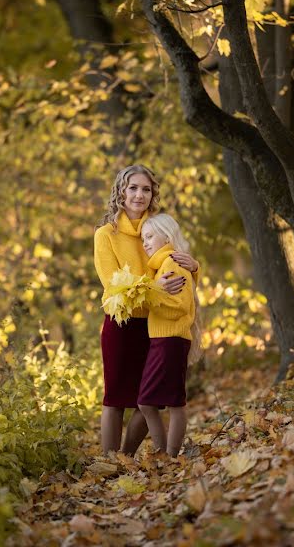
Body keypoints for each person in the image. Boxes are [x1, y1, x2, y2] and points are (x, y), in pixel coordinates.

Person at [94, 165, 199, 455]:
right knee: (115, 398)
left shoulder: (158, 228)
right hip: (122, 322)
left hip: (156, 323)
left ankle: (125, 458)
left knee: (149, 399)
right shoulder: (106, 235)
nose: (139, 195)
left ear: (152, 195)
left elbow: (174, 268)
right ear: (121, 192)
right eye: (133, 188)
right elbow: (112, 284)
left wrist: (194, 267)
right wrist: (155, 289)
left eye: (146, 189)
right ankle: (109, 463)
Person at [138, 213, 198, 457]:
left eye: (150, 236)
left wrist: (151, 299)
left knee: (171, 402)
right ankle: (165, 454)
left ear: (167, 235)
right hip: (162, 341)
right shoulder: (161, 266)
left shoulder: (172, 263)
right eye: (143, 239)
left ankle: (169, 456)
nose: (145, 243)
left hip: (171, 341)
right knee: (152, 402)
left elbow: (180, 307)